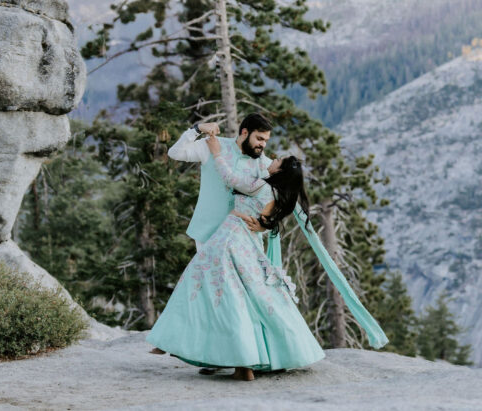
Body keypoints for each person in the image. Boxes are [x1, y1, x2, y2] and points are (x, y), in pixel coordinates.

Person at [147, 134, 389, 380]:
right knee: (254, 295)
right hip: (249, 244)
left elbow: (229, 179)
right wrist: (256, 222)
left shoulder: (261, 185)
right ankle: (261, 356)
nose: (273, 158)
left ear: (280, 171)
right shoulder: (279, 195)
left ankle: (176, 342)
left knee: (200, 280)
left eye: (279, 160)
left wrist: (216, 151)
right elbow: (263, 222)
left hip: (230, 237)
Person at [166, 113, 274, 252]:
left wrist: (264, 227)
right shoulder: (214, 145)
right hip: (208, 234)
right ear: (245, 132)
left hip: (245, 241)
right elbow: (175, 153)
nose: (263, 145)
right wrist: (197, 129)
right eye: (259, 138)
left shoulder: (266, 165)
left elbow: (276, 203)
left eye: (266, 140)